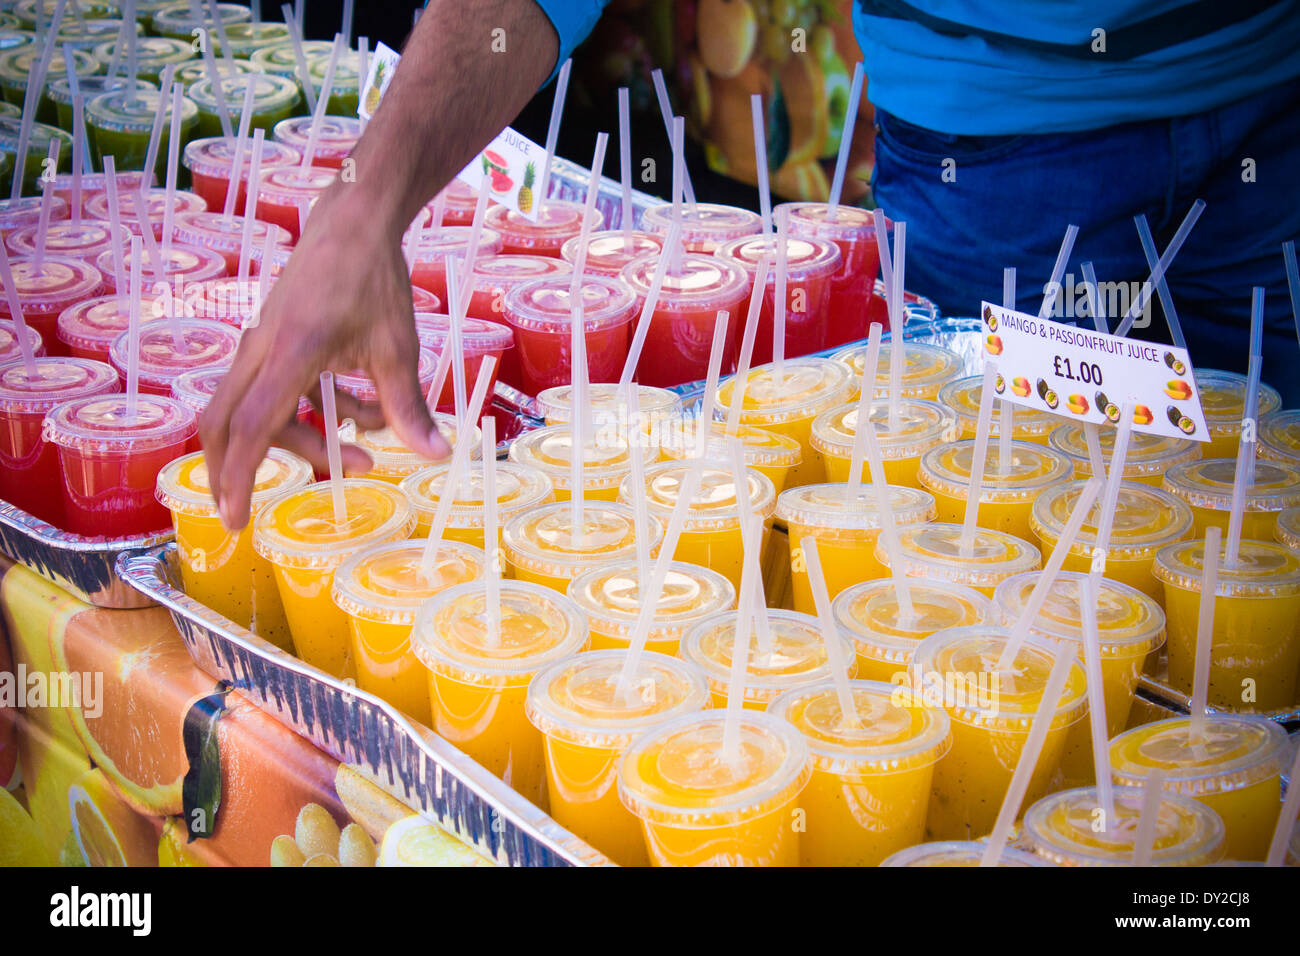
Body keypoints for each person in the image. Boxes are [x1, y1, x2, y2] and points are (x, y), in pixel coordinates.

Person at [203, 0, 1300, 529]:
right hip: (1002, 149)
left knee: (1265, 545)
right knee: (1017, 555)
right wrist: (369, 197)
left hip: (1280, 100)